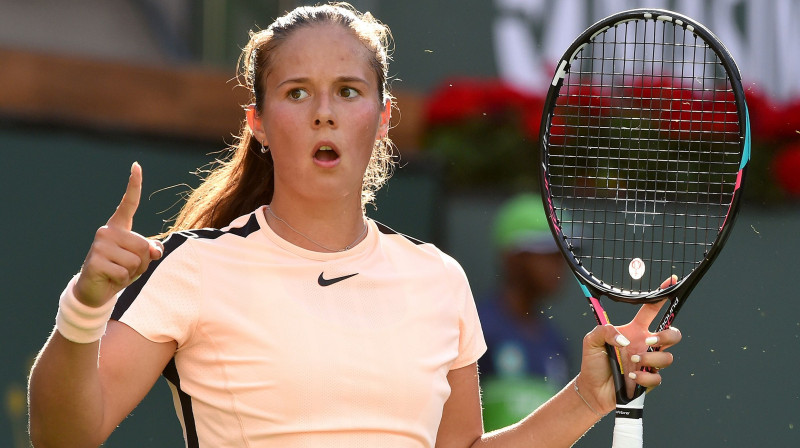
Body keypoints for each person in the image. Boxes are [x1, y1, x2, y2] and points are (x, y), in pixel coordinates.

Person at [27, 3, 681, 447]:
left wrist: (585, 401)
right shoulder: (191, 268)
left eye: (347, 91)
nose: (323, 113)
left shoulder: (438, 280)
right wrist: (83, 309)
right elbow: (63, 435)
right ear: (257, 123)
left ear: (383, 115)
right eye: (295, 92)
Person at [478, 193, 571, 431]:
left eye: (562, 255)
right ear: (513, 258)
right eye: (548, 254)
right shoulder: (476, 331)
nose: (559, 265)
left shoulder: (556, 343)